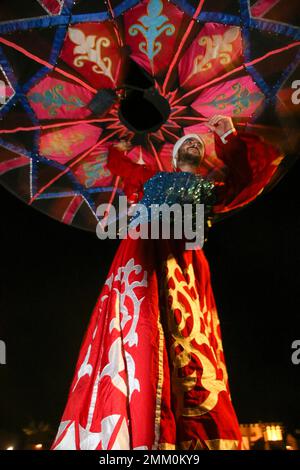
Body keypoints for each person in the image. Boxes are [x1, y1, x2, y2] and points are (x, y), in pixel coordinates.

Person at [51, 116, 281, 450]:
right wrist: (120, 145)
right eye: (188, 143)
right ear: (174, 157)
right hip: (143, 250)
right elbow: (121, 166)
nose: (193, 145)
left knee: (182, 338)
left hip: (184, 262)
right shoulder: (153, 178)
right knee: (139, 328)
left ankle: (182, 434)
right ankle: (131, 422)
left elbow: (248, 178)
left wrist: (226, 133)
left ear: (201, 159)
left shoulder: (209, 189)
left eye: (198, 146)